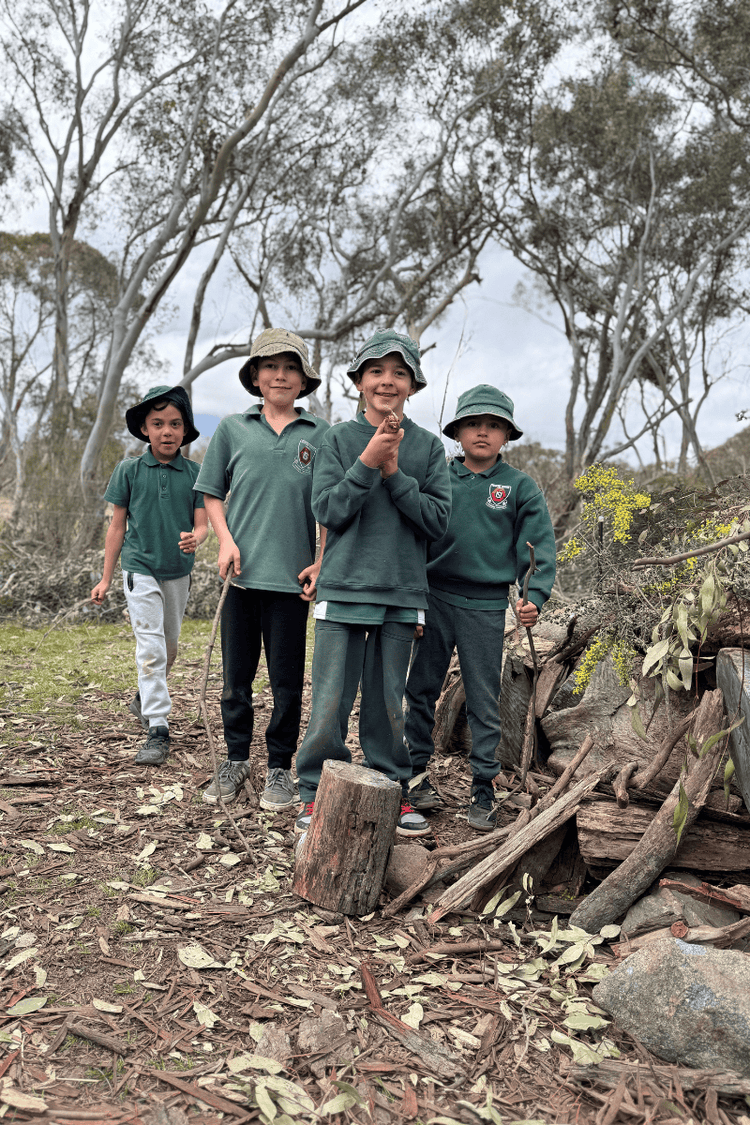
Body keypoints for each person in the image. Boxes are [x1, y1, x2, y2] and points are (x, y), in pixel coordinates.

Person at [294, 328, 452, 838]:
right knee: (331, 700)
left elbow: (436, 522)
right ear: (359, 381)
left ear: (412, 385)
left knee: (388, 704)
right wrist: (368, 462)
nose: (388, 381)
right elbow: (328, 510)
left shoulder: (428, 448)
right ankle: (316, 792)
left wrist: (394, 473)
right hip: (342, 588)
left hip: (402, 593)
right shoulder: (335, 440)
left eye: (399, 373)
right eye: (377, 372)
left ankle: (392, 790)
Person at [403, 384, 556, 830]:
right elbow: (415, 535)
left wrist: (534, 596)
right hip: (433, 598)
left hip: (486, 605)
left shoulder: (519, 487)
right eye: (473, 424)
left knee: (484, 699)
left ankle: (483, 789)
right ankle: (414, 775)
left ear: (506, 434)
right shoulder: (440, 476)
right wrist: (412, 597)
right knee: (420, 689)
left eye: (493, 425)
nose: (483, 433)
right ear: (458, 432)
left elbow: (538, 549)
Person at [194, 329, 329, 807]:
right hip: (241, 579)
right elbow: (211, 493)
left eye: (290, 368)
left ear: (302, 380)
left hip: (293, 583)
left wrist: (319, 560)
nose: (280, 375)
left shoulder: (320, 434)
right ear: (254, 376)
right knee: (236, 678)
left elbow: (328, 507)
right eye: (270, 366)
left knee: (288, 681)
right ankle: (234, 761)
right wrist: (225, 541)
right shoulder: (233, 428)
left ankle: (278, 768)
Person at [91, 385, 208, 765]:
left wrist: (197, 538)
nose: (167, 431)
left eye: (175, 424)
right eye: (158, 424)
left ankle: (144, 695)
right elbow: (116, 527)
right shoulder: (128, 470)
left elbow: (203, 524)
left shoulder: (195, 473)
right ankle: (157, 727)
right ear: (145, 429)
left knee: (169, 647)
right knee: (152, 649)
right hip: (139, 569)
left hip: (178, 573)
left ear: (185, 429)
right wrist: (106, 578)